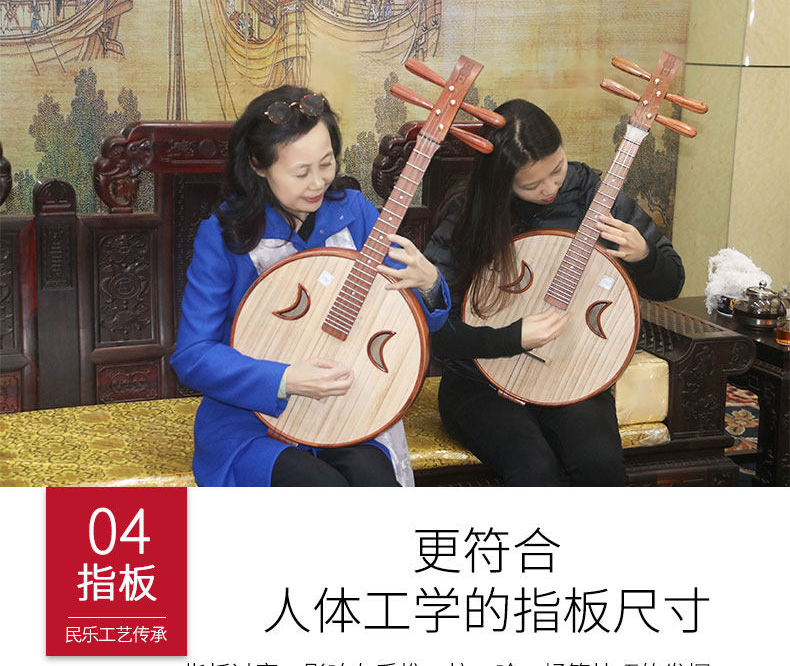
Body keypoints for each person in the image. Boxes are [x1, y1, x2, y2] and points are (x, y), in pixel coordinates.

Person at [171, 86, 449, 487]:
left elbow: (413, 326)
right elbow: (193, 355)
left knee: (375, 482)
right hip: (251, 417)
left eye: (327, 163)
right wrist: (285, 379)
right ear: (259, 165)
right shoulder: (224, 235)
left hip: (344, 408)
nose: (318, 182)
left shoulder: (355, 213)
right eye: (301, 173)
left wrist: (429, 285)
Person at [424, 99, 685, 486]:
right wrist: (509, 341)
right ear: (501, 181)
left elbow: (672, 283)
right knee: (533, 467)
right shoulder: (469, 212)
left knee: (599, 462)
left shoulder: (594, 196)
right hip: (478, 381)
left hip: (572, 374)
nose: (549, 188)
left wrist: (645, 256)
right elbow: (433, 326)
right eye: (531, 184)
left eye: (557, 169)